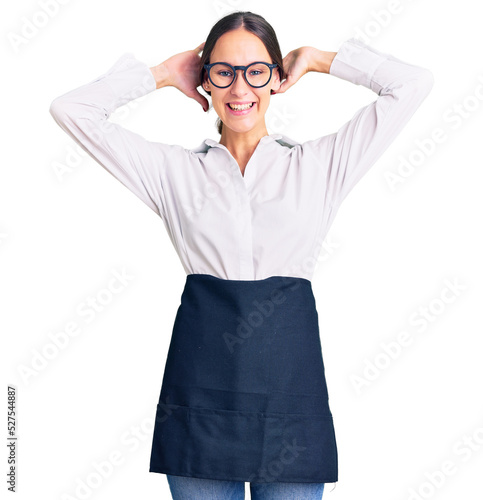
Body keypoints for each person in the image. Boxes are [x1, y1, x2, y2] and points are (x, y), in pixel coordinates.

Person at [49, 10, 434, 500]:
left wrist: (320, 60)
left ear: (276, 78)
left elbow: (414, 84)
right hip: (200, 396)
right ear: (205, 80)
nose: (239, 88)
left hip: (291, 395)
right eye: (223, 72)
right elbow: (70, 110)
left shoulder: (318, 167)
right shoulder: (173, 172)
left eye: (255, 71)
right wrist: (162, 74)